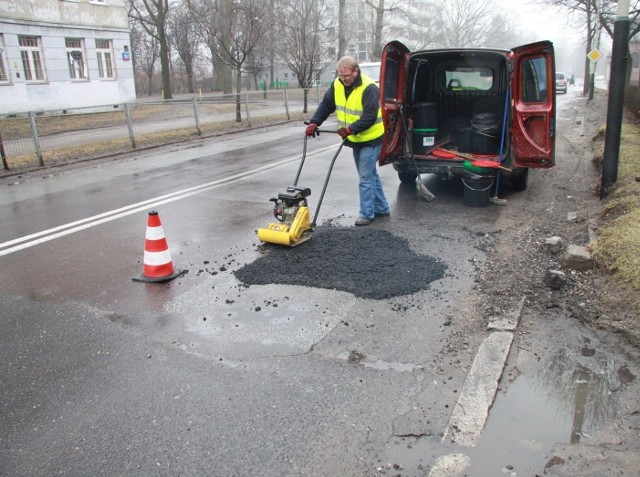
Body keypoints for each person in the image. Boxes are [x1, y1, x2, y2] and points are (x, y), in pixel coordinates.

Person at [305, 56, 390, 226]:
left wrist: (350, 129)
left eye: (346, 76)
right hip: (355, 139)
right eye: (341, 75)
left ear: (355, 71)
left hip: (371, 139)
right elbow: (326, 105)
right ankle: (382, 207)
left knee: (365, 177)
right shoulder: (337, 84)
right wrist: (315, 122)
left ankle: (366, 214)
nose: (343, 79)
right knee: (369, 174)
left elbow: (369, 116)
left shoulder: (369, 88)